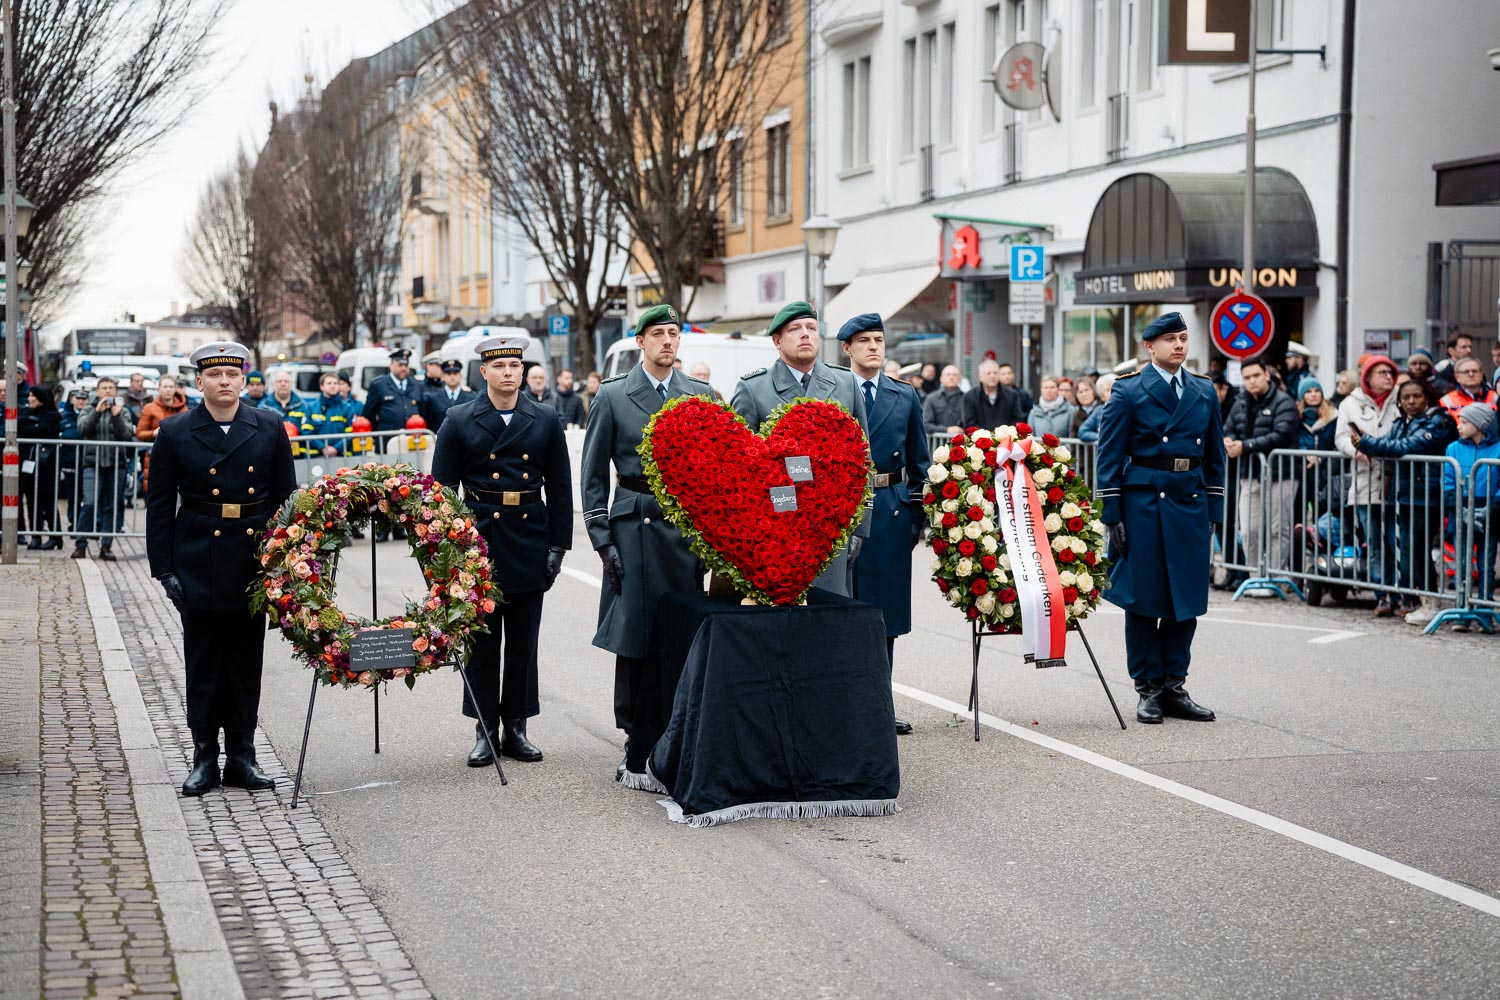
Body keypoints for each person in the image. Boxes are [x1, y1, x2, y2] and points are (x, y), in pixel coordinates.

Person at [146, 342, 296, 797]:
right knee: (205, 664)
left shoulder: (268, 426)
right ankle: (205, 757)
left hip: (252, 560)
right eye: (215, 375)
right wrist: (164, 569)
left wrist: (286, 564)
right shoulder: (174, 432)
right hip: (199, 560)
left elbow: (287, 502)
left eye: (233, 374)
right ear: (199, 382)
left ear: (244, 378)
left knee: (246, 665)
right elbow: (158, 505)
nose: (225, 382)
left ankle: (243, 757)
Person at [581, 304, 711, 775]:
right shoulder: (615, 396)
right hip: (633, 525)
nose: (667, 342)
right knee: (635, 630)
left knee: (682, 626)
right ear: (640, 341)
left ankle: (679, 722)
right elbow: (593, 474)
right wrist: (602, 540)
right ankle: (635, 730)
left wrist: (711, 534)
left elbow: (712, 469)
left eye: (674, 334)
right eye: (658, 334)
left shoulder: (697, 394)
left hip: (683, 527)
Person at [432, 336, 573, 765]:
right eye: (500, 366)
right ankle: (484, 729)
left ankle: (517, 726)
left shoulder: (545, 418)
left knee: (523, 642)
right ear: (485, 372)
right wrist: (447, 554)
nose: (509, 372)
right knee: (482, 642)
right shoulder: (459, 419)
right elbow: (440, 493)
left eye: (515, 365)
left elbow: (561, 489)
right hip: (480, 541)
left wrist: (559, 546)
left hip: (530, 537)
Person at [1095, 312, 1224, 725]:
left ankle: (1174, 685)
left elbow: (1216, 458)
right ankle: (1148, 688)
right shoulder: (1129, 390)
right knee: (1144, 599)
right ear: (1149, 346)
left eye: (1184, 338)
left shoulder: (1203, 391)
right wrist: (1111, 512)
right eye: (1170, 339)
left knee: (1184, 601)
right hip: (1144, 502)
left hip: (1188, 499)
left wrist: (1214, 511)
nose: (1180, 346)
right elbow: (1109, 453)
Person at [731, 300, 870, 597]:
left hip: (833, 523)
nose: (805, 334)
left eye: (811, 328)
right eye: (795, 329)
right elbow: (741, 469)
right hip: (776, 525)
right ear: (777, 341)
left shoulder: (845, 384)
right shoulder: (753, 389)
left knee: (830, 618)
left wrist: (860, 527)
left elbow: (864, 460)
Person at [840, 313, 930, 736]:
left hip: (891, 511)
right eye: (864, 341)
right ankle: (843, 702)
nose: (874, 347)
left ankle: (880, 701)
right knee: (844, 612)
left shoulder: (904, 395)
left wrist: (917, 513)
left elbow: (920, 461)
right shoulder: (831, 391)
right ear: (848, 349)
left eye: (878, 340)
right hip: (843, 510)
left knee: (885, 616)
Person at [1354, 378, 1456, 623]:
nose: (1411, 401)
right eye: (1406, 397)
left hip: (1427, 494)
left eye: (1416, 397)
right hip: (1404, 493)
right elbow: (1390, 443)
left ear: (1427, 398)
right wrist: (1371, 443)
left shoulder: (1438, 421)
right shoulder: (1401, 422)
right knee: (1411, 549)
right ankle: (1422, 599)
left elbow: (1408, 446)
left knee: (1421, 547)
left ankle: (1431, 601)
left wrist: (1367, 442)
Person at [1335, 355, 1401, 616]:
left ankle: (1403, 591)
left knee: (1397, 541)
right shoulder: (1351, 403)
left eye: (1390, 372)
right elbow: (1340, 437)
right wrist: (1355, 451)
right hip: (1365, 482)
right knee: (1374, 541)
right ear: (1368, 377)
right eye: (1382, 372)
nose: (1388, 377)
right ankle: (1382, 593)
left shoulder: (1401, 397)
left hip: (1396, 481)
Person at [1224, 358, 1299, 573]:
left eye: (1256, 376)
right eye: (1247, 378)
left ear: (1266, 375)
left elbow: (1282, 434)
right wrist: (1228, 440)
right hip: (1250, 474)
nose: (1252, 381)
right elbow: (1228, 428)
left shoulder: (1284, 401)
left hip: (1280, 474)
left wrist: (1245, 446)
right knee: (1249, 529)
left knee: (1277, 529)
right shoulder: (1240, 403)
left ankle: (1273, 577)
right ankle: (1255, 576)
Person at [1443, 403, 1500, 625]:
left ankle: (1485, 611)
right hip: (1462, 509)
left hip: (1491, 510)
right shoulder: (1453, 449)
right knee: (1464, 563)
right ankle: (1461, 611)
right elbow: (1448, 481)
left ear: (1480, 424)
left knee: (1486, 564)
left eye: (1464, 422)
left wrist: (1491, 507)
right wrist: (1461, 510)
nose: (1459, 426)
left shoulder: (1497, 448)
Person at [362, 348, 426, 540]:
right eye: (400, 364)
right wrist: (376, 439)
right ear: (392, 365)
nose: (403, 367)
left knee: (405, 486)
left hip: (409, 445)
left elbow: (421, 412)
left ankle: (400, 525)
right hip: (386, 443)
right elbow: (368, 414)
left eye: (406, 364)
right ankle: (382, 528)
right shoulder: (379, 385)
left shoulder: (416, 385)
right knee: (384, 487)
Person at [73, 376, 136, 561]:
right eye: (104, 388)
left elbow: (125, 434)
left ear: (115, 391)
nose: (108, 391)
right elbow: (83, 429)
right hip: (92, 465)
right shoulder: (88, 408)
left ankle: (106, 546)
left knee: (112, 506)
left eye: (111, 388)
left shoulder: (123, 411)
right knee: (90, 503)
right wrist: (97, 412)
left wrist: (116, 416)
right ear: (97, 391)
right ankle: (80, 544)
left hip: (116, 465)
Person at [20, 385, 61, 549]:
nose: (29, 399)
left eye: (33, 397)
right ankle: (35, 536)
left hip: (46, 466)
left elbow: (42, 431)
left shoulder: (51, 415)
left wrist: (32, 427)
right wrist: (31, 425)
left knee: (48, 502)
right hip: (29, 465)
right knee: (31, 501)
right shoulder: (27, 413)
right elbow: (20, 428)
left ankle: (55, 536)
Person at [135, 374, 190, 496]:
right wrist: (154, 433)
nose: (168, 389)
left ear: (175, 388)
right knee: (155, 495)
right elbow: (140, 433)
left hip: (179, 456)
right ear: (159, 388)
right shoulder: (149, 408)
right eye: (165, 386)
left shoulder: (183, 408)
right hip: (155, 455)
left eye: (171, 386)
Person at [961, 359, 1025, 431]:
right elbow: (969, 423)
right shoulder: (969, 397)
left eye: (995, 373)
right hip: (980, 440)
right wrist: (986, 437)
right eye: (988, 373)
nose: (992, 376)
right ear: (980, 377)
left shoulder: (1012, 395)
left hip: (1006, 440)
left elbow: (1017, 419)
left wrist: (1004, 434)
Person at [58, 388, 89, 533]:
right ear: (71, 399)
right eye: (78, 398)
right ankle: (74, 523)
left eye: (84, 398)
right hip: (70, 463)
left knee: (89, 497)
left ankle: (88, 525)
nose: (81, 401)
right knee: (73, 497)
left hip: (87, 463)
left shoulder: (90, 415)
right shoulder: (64, 416)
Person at [422, 360, 476, 434]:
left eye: (455, 373)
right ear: (443, 376)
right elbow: (429, 424)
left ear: (460, 375)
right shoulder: (433, 399)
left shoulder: (471, 399)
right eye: (448, 374)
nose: (452, 377)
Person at [1438, 358, 1497, 424]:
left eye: (1474, 371)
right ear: (1457, 376)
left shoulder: (1495, 397)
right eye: (1466, 372)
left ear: (1481, 374)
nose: (1471, 374)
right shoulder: (1446, 401)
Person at [1027, 374, 1077, 439]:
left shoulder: (1070, 410)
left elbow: (1072, 436)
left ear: (1057, 389)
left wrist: (1062, 449)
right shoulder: (1033, 412)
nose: (1049, 391)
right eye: (1046, 388)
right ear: (1041, 389)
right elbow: (1030, 437)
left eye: (1052, 387)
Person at [922, 364, 964, 435]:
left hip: (962, 445)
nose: (951, 377)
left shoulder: (967, 399)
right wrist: (947, 430)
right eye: (948, 374)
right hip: (937, 444)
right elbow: (925, 425)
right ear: (941, 378)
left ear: (960, 379)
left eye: (955, 375)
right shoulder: (931, 398)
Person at [1077, 374, 1116, 442]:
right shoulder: (1099, 411)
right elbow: (1082, 432)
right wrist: (1102, 436)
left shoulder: (1127, 408)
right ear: (1102, 396)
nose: (1112, 391)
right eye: (1107, 390)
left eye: (1114, 388)